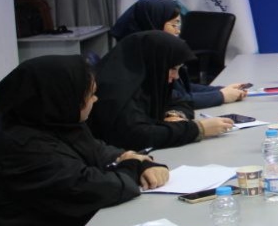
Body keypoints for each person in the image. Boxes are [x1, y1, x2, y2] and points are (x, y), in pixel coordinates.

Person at [0, 55, 171, 226]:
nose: (96, 99)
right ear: (62, 98)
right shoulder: (25, 149)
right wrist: (134, 165)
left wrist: (139, 161)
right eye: (90, 94)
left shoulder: (55, 123)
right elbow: (101, 188)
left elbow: (100, 151)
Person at [89, 31, 234, 150]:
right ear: (153, 62)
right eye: (172, 69)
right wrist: (198, 129)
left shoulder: (147, 79)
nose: (176, 76)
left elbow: (181, 101)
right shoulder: (115, 91)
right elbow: (138, 136)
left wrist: (174, 114)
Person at [110, 0, 248, 108]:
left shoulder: (155, 50)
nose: (178, 30)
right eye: (173, 24)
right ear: (153, 23)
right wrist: (221, 96)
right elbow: (171, 99)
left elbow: (181, 88)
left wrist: (221, 90)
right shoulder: (137, 59)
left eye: (179, 24)